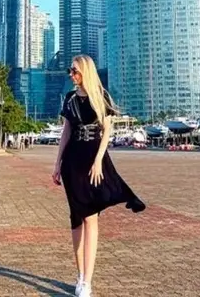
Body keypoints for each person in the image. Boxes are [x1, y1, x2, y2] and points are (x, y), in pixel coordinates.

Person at [52, 54, 146, 297]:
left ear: (85, 71)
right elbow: (66, 132)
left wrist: (97, 162)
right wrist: (57, 163)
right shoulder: (70, 98)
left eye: (74, 70)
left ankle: (87, 281)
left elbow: (106, 132)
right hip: (72, 162)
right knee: (76, 217)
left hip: (94, 160)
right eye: (70, 71)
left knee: (91, 217)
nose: (71, 75)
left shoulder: (101, 96)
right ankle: (80, 274)